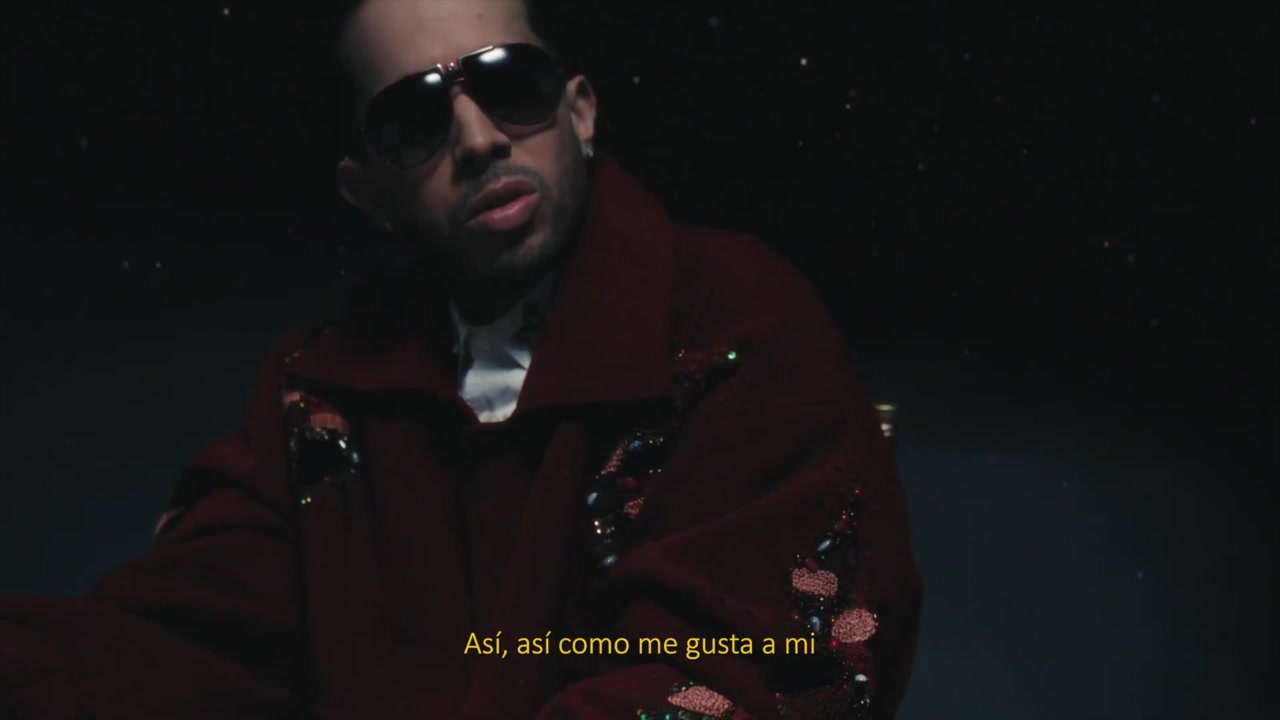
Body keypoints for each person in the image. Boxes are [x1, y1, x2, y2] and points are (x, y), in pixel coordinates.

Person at [0, 0, 923, 717]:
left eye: (511, 85)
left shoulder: (738, 319)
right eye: (414, 119)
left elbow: (760, 666)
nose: (479, 140)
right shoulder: (317, 395)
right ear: (368, 192)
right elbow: (178, 636)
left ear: (582, 113)